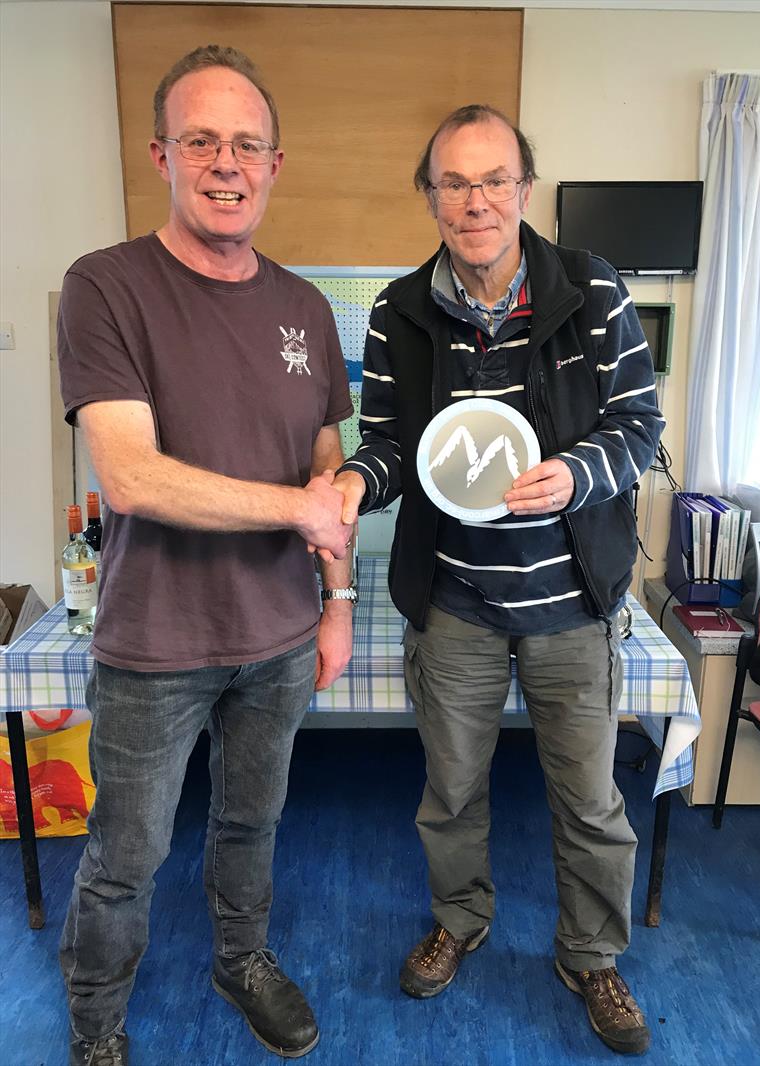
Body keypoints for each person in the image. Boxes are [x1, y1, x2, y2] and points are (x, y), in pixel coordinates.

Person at [335, 105, 664, 1056]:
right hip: (456, 601)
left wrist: (574, 474)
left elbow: (639, 430)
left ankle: (592, 955)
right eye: (454, 183)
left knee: (591, 798)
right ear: (431, 196)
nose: (474, 201)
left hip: (573, 602)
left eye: (494, 180)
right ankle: (460, 920)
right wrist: (360, 478)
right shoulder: (399, 310)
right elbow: (394, 447)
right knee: (451, 787)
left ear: (523, 188)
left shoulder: (592, 290)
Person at [57, 45, 356, 1066]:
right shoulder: (103, 286)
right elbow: (132, 475)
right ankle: (97, 1026)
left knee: (250, 826)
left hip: (276, 636)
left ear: (276, 163)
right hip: (153, 643)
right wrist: (301, 512)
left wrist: (338, 596)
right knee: (125, 858)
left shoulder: (306, 307)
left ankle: (242, 959)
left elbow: (324, 452)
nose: (225, 164)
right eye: (201, 141)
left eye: (245, 144)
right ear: (162, 155)